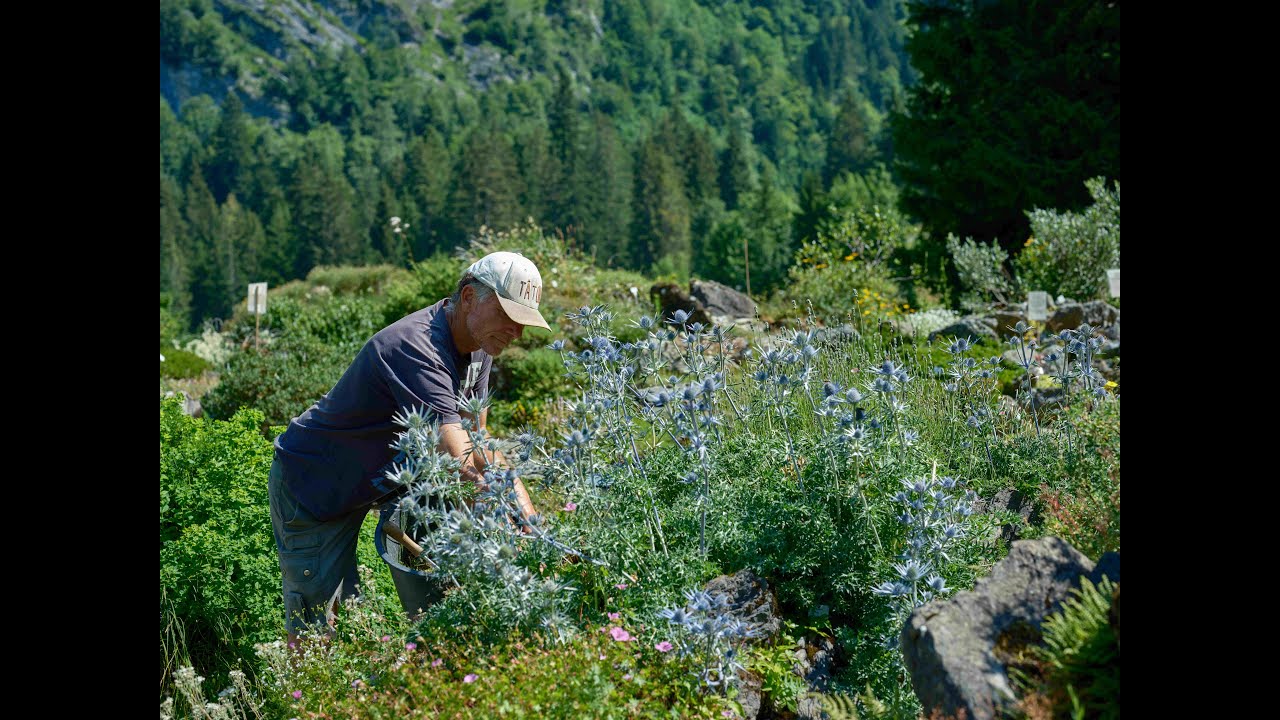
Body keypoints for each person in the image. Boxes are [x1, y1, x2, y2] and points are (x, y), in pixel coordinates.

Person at [267, 251, 550, 644]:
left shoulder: (480, 347)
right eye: (508, 316)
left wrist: (533, 527)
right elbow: (460, 462)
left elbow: (479, 442)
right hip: (318, 485)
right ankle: (308, 700)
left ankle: (433, 653)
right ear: (469, 297)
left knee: (430, 592)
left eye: (523, 321)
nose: (517, 332)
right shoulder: (416, 348)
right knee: (320, 624)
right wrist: (511, 534)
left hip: (383, 479)